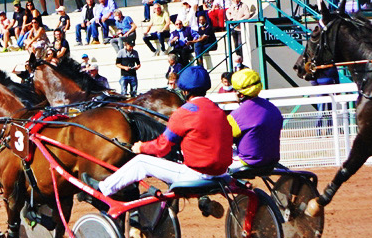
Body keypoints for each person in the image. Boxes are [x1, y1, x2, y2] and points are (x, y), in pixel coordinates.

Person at [98, 67, 233, 199]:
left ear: (184, 91)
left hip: (197, 174)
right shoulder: (218, 110)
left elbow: (162, 147)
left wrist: (141, 147)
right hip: (222, 173)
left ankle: (103, 188)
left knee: (140, 162)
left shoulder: (184, 112)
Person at [226, 69, 283, 177]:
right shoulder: (273, 108)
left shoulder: (236, 115)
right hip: (272, 160)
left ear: (240, 94)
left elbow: (225, 141)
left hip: (248, 163)